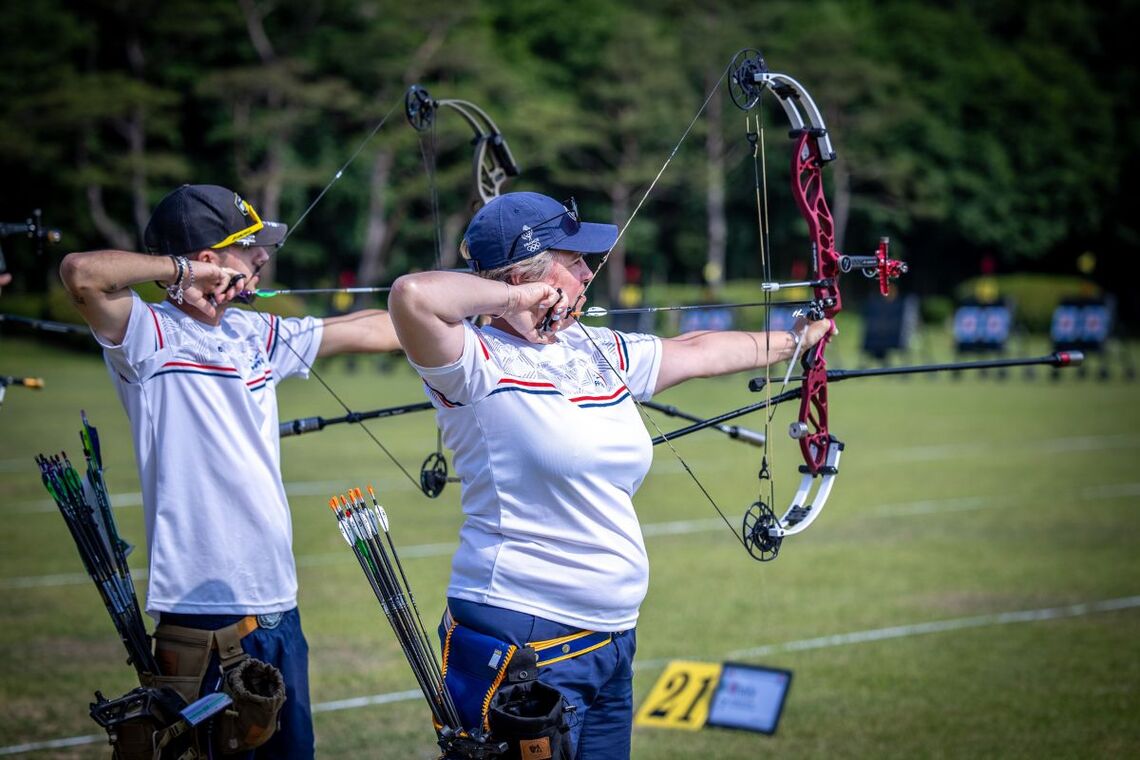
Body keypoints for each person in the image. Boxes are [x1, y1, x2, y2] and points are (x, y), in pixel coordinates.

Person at [387, 191, 832, 759]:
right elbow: (413, 294)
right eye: (574, 261)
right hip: (524, 636)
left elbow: (695, 349)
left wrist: (796, 343)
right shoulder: (471, 361)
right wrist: (520, 296)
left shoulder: (595, 350)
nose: (589, 272)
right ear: (531, 270)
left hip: (611, 637)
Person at [59, 184, 401, 759]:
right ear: (208, 260)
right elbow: (82, 273)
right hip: (202, 613)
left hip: (278, 609)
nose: (263, 257)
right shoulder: (147, 334)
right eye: (249, 246)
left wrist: (476, 310)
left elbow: (372, 328)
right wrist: (178, 272)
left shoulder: (256, 335)